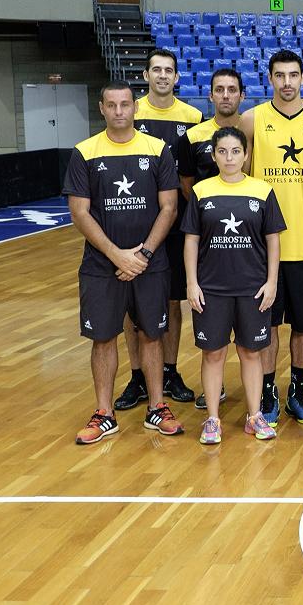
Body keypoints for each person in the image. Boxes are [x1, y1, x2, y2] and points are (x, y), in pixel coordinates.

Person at [66, 81, 181, 444]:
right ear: (101, 108)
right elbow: (79, 213)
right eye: (112, 105)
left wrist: (143, 254)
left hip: (150, 264)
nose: (119, 111)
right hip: (102, 266)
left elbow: (169, 207)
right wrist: (116, 254)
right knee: (103, 338)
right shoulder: (84, 152)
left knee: (152, 334)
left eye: (125, 104)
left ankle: (157, 407)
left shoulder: (157, 149)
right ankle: (104, 413)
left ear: (135, 107)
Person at [240, 49, 303, 427]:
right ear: (269, 78)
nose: (287, 82)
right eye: (279, 76)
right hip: (264, 247)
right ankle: (268, 391)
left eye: (293, 75)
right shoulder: (252, 119)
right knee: (267, 326)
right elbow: (240, 181)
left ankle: (297, 390)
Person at [114, 48, 203, 410]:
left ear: (177, 77)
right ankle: (137, 376)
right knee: (132, 303)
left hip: (177, 221)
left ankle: (169, 371)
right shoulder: (131, 111)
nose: (163, 75)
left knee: (172, 300)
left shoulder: (192, 116)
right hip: (137, 219)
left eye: (169, 70)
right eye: (157, 70)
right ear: (146, 75)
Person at [182, 126, 284, 443]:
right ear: (214, 156)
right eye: (222, 152)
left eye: (236, 151)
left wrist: (272, 282)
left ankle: (255, 416)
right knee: (213, 354)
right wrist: (191, 283)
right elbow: (191, 240)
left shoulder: (262, 190)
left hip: (253, 289)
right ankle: (212, 419)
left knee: (251, 353)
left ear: (246, 155)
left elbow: (273, 239)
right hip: (211, 289)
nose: (229, 158)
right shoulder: (201, 191)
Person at [177, 67, 244, 410]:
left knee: (250, 331)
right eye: (220, 89)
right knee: (214, 324)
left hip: (247, 240)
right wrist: (209, 216)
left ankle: (259, 394)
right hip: (208, 241)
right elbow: (186, 184)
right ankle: (214, 389)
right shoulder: (193, 137)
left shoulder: (251, 130)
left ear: (242, 95)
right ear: (210, 95)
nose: (226, 95)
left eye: (232, 89)